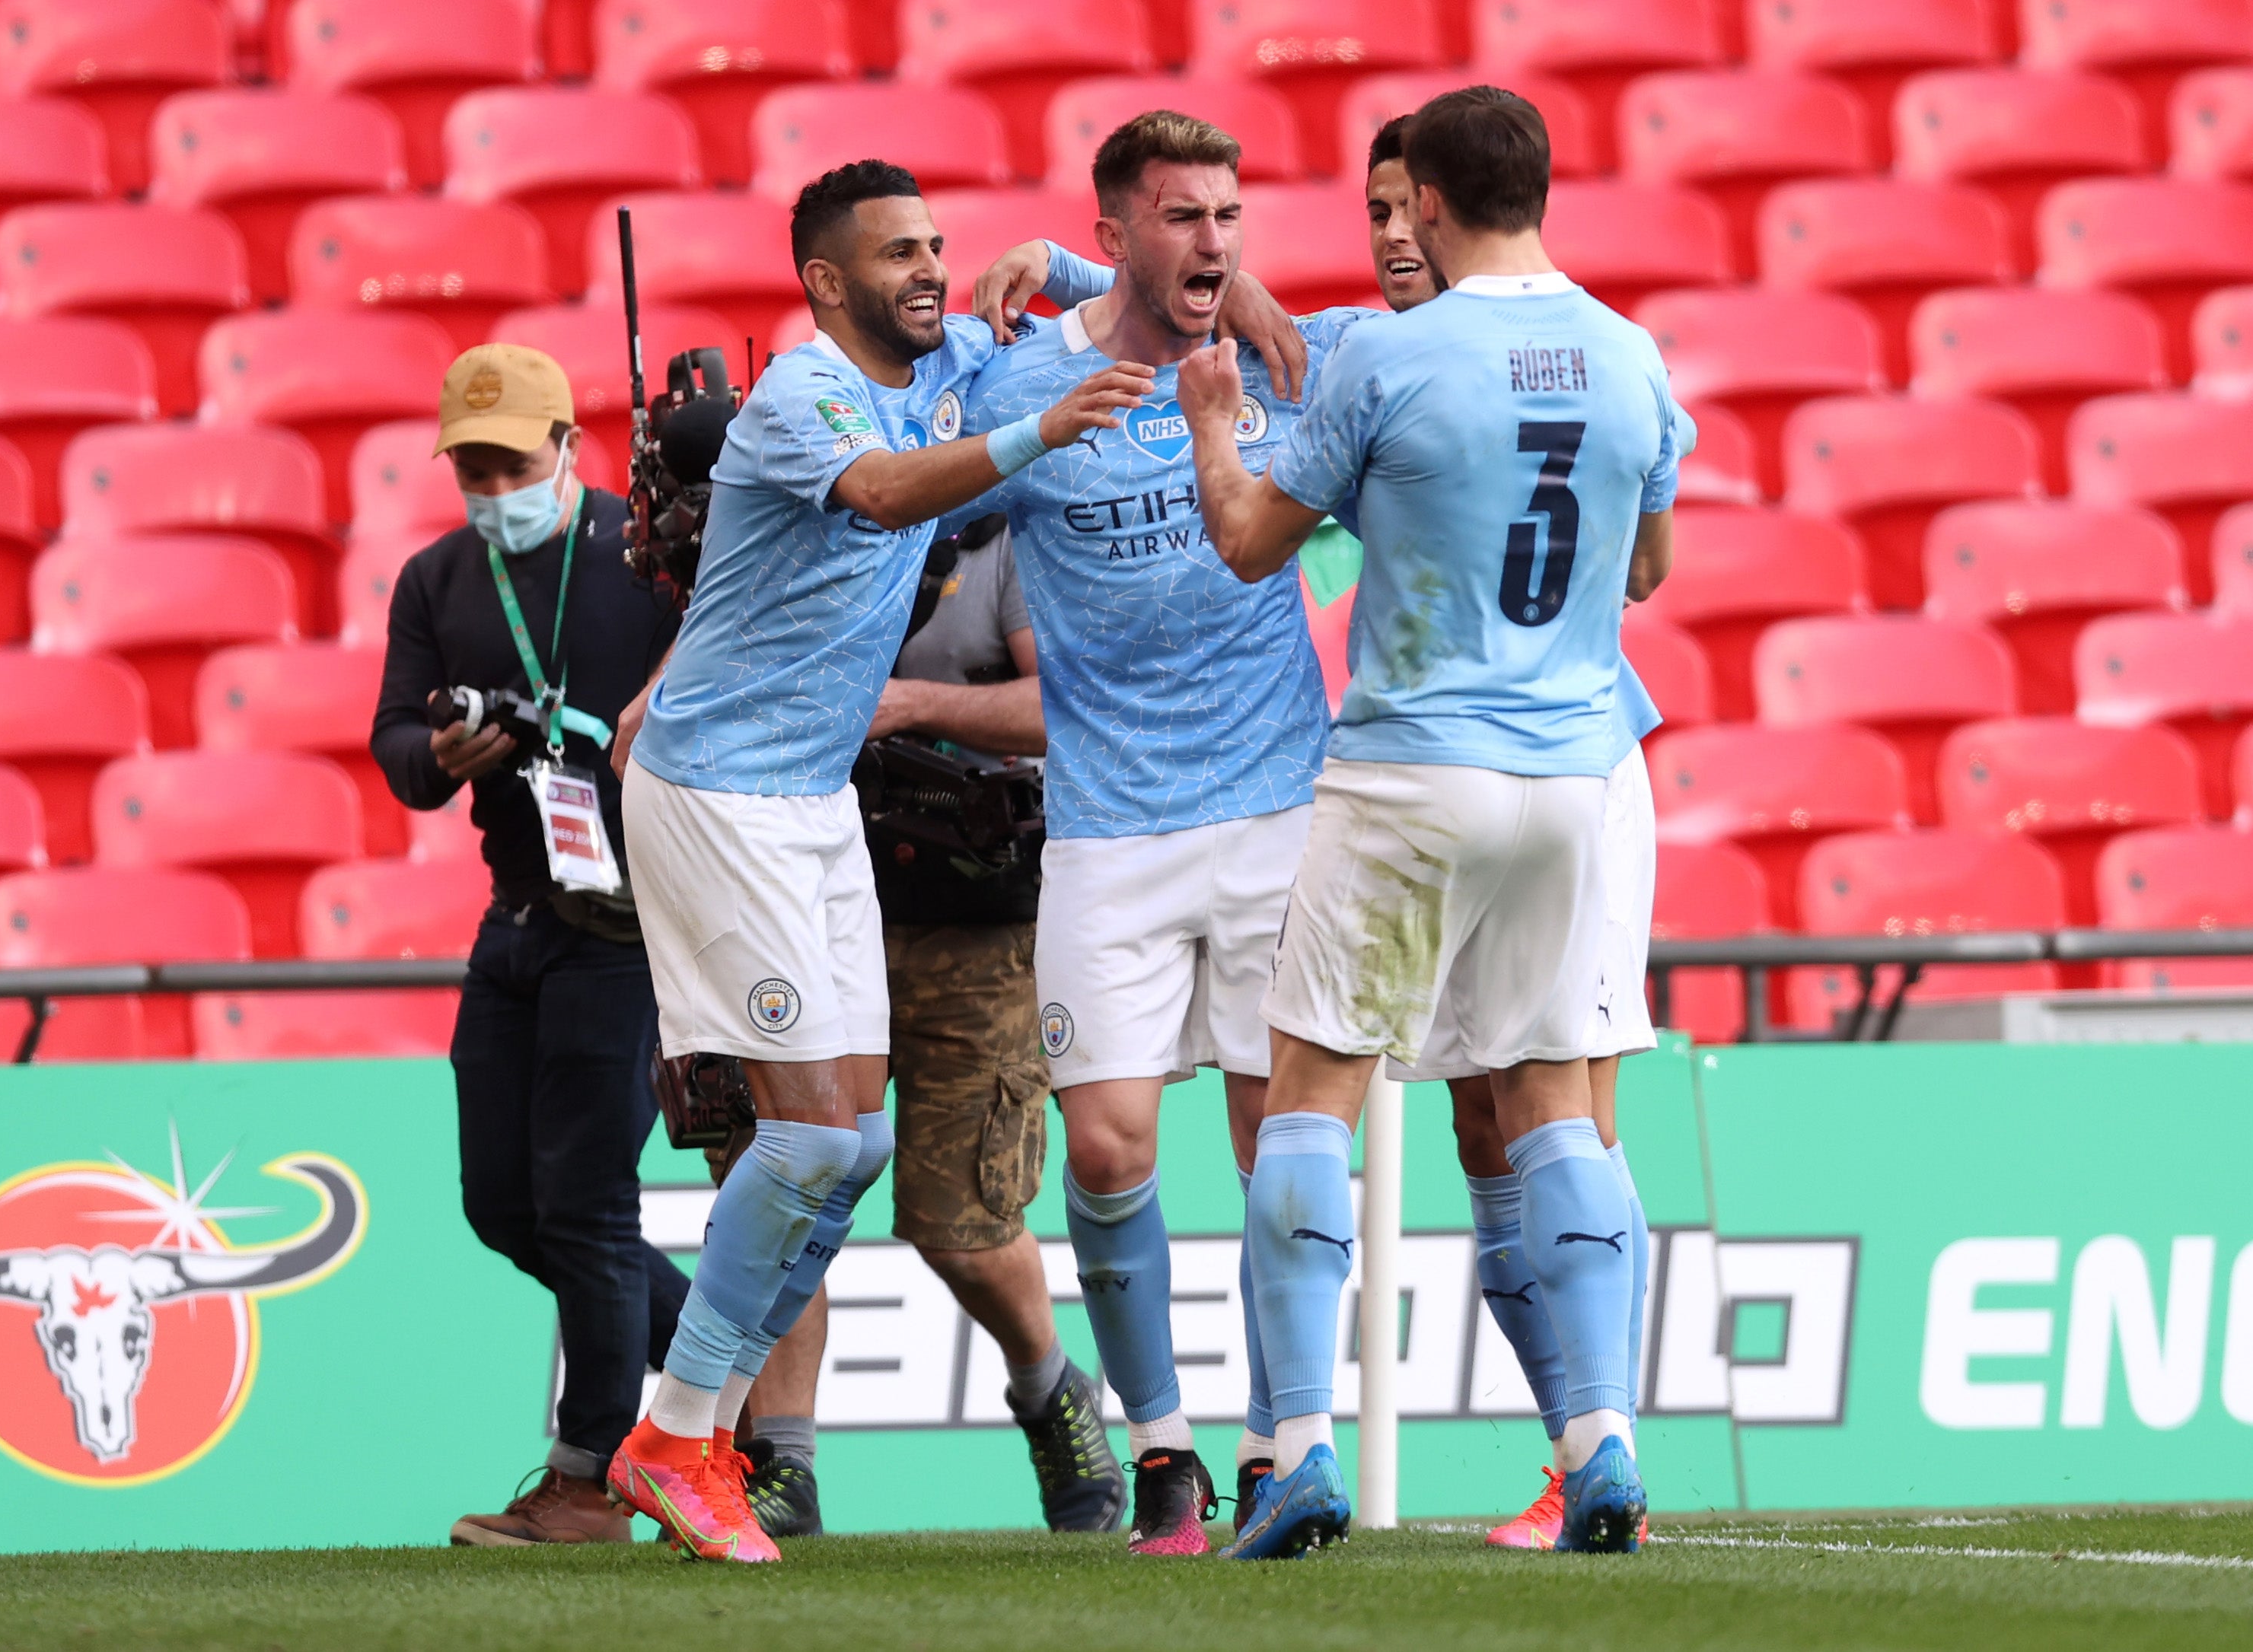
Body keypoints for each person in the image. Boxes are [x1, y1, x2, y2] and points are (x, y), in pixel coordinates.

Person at [601, 159, 1158, 1564]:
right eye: (893, 253)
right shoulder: (802, 395)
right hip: (719, 798)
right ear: (824, 284)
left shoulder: (956, 353)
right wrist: (1037, 430)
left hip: (807, 800)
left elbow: (1143, 312)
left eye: (935, 246)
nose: (926, 269)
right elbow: (890, 491)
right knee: (799, 1135)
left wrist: (1061, 263)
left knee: (842, 1150)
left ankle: (700, 1445)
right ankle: (674, 1438)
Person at [1178, 86, 1691, 1559]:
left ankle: (1298, 1449)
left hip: (1416, 763)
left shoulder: (1397, 358)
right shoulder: (1631, 351)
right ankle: (1601, 1438)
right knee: (1549, 1098)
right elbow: (1647, 564)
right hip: (1580, 772)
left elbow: (1246, 542)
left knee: (1312, 1093)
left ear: (1438, 205)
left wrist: (1219, 427)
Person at [946, 110, 1375, 1557]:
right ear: (1121, 223)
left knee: (1279, 1149)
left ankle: (1277, 1446)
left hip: (1274, 811)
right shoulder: (1028, 388)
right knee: (1114, 1152)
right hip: (1109, 828)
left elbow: (1331, 365)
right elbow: (928, 484)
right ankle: (1163, 1452)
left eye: (1228, 217)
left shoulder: (1270, 362)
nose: (1213, 243)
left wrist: (1092, 267)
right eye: (1181, 217)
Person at [1342, 117, 1676, 1550]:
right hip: (1486, 770)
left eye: (1402, 210)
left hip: (1566, 760)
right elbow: (1652, 556)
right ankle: (1574, 1449)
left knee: (1563, 1101)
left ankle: (1603, 1439)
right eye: (1367, 215)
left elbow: (1644, 577)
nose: (1389, 237)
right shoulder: (1412, 357)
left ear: (1441, 205)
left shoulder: (1454, 363)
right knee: (1485, 1110)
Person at [720, 509, 1129, 1539]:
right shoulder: (805, 519)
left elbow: (1064, 705)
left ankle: (1048, 1386)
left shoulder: (1011, 542)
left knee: (959, 1221)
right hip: (808, 906)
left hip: (976, 923)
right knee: (787, 1190)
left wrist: (907, 706)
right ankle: (786, 1462)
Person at [368, 343, 689, 1547]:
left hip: (629, 921)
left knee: (588, 1205)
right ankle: (724, 1364)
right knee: (504, 1206)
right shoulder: (437, 578)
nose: (488, 483)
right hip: (512, 920)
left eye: (508, 459)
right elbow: (394, 742)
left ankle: (588, 1476)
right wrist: (436, 760)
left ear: (568, 445)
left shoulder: (644, 553)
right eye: (469, 463)